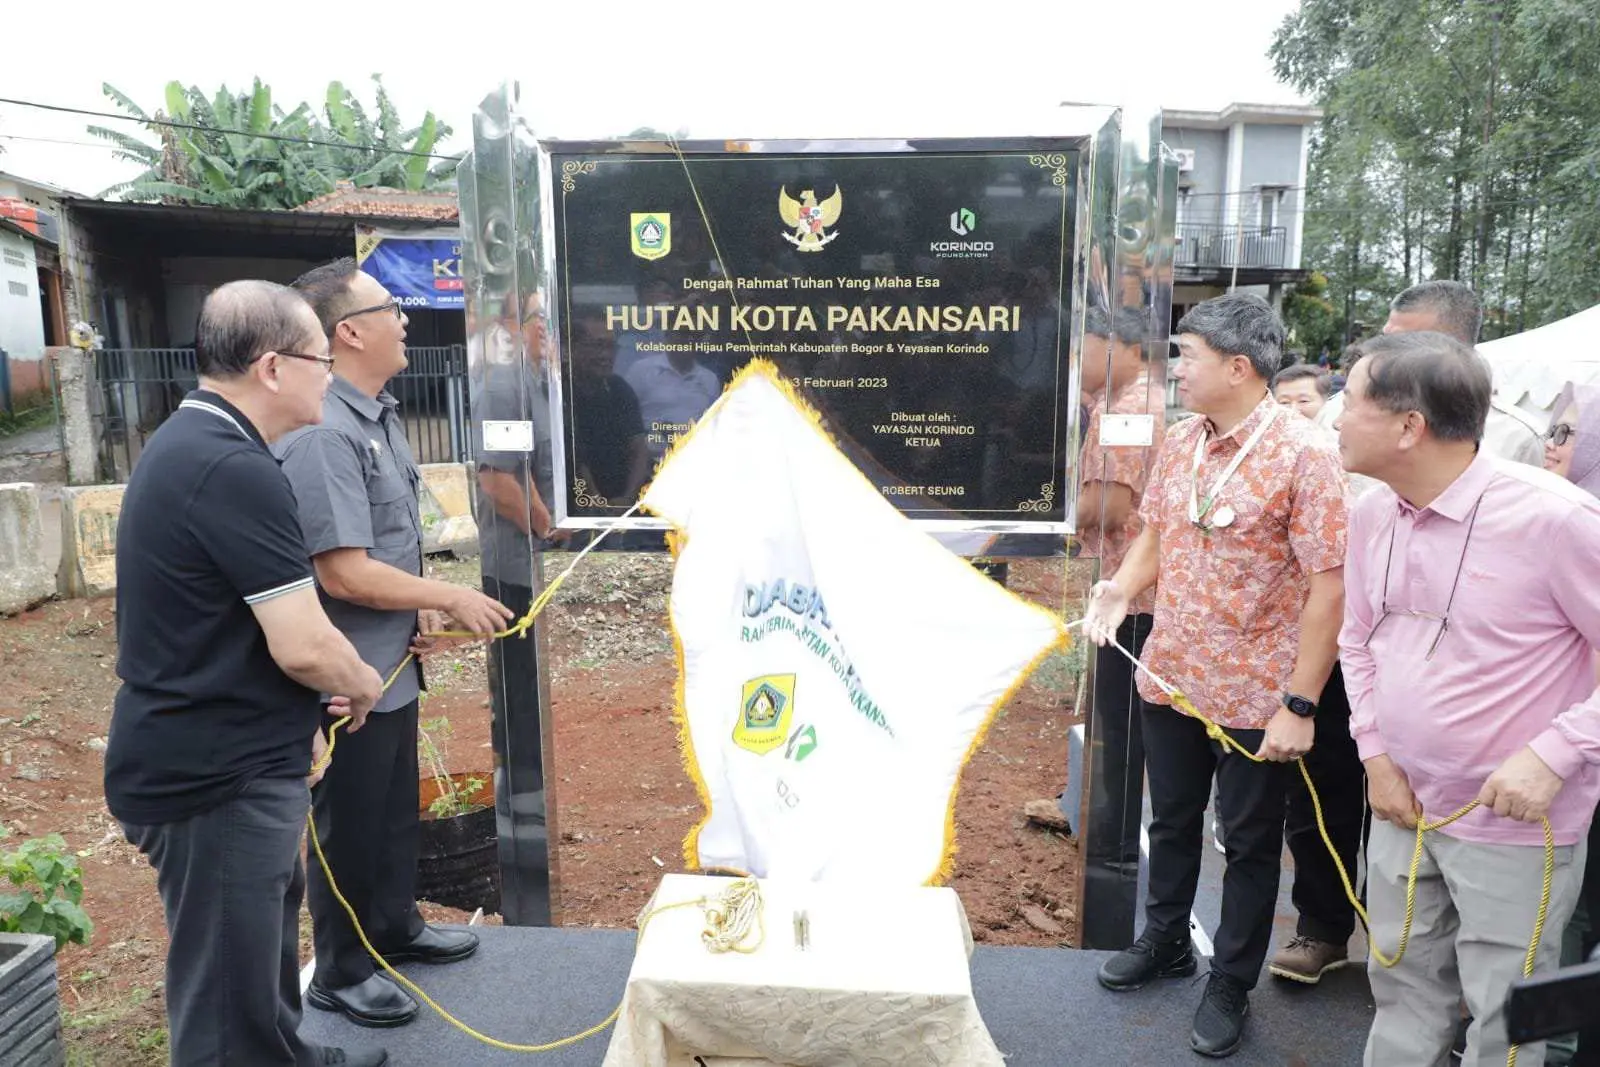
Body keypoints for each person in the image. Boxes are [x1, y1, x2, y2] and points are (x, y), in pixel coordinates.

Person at [105, 280, 388, 1067]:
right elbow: (302, 642)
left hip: (225, 753)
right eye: (321, 359)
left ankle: (290, 1054)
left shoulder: (196, 445)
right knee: (225, 1000)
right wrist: (364, 681)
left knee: (258, 943)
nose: (330, 374)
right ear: (272, 367)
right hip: (213, 775)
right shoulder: (233, 467)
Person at [1084, 292, 1348, 1058]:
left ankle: (1231, 976)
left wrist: (1299, 702)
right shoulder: (1184, 440)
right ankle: (1165, 938)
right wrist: (1122, 588)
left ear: (1238, 366)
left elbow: (1329, 587)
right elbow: (1161, 530)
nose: (1177, 369)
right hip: (1173, 673)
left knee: (1249, 839)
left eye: (1188, 357)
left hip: (1255, 691)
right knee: (1168, 818)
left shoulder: (1305, 454)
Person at [1334, 332, 1600, 1066]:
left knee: (1509, 1019)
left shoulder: (1558, 517)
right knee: (1400, 989)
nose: (1334, 417)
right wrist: (1376, 753)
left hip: (1516, 823)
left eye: (1349, 401)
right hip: (1402, 807)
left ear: (1409, 426)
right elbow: (1357, 640)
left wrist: (1556, 752)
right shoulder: (1372, 513)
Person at [276, 259, 513, 1028]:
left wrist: (419, 608)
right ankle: (340, 969)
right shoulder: (325, 432)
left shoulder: (379, 416)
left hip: (393, 663)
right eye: (389, 308)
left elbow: (387, 552)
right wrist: (448, 593)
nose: (405, 320)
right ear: (348, 331)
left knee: (389, 813)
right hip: (345, 673)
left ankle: (393, 927)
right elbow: (342, 571)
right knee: (347, 822)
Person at [1023, 306, 1162, 878]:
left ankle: (1113, 846)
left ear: (1122, 346)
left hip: (1133, 596)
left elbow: (1109, 508)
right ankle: (1095, 817)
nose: (1074, 363)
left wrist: (1041, 517)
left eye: (1085, 349)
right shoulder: (1115, 403)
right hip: (1122, 585)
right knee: (1113, 715)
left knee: (1120, 720)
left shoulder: (1132, 410)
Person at [1318, 281, 1545, 467]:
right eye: (1387, 340)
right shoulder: (1334, 415)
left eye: (1404, 343)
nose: (1385, 353)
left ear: (1457, 346)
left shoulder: (1514, 437)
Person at [1541, 382, 1600, 1067]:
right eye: (1552, 431)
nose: (1553, 444)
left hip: (1572, 753)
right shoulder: (1551, 513)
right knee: (1567, 914)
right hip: (1570, 769)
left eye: (1569, 433)